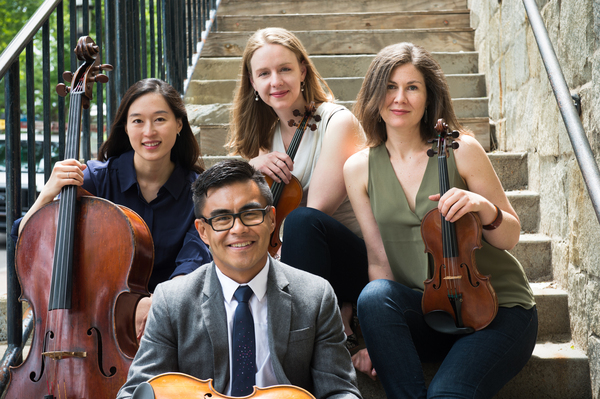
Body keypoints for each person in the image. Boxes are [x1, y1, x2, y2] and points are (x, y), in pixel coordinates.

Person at [344, 42, 538, 398]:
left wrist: (483, 207)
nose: (399, 98)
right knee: (373, 295)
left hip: (497, 308)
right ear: (374, 93)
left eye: (412, 87)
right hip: (431, 312)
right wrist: (377, 338)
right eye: (390, 86)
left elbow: (510, 237)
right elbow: (378, 260)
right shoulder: (358, 169)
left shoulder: (461, 149)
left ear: (427, 96)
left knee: (448, 394)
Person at [116, 159, 361, 399]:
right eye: (222, 219)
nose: (238, 229)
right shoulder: (171, 300)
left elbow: (339, 389)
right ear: (202, 231)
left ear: (272, 218)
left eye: (251, 213)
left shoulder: (316, 295)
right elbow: (134, 391)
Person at [14, 78, 211, 338]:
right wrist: (48, 193)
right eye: (138, 121)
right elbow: (29, 239)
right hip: (95, 323)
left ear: (178, 125)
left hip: (169, 317)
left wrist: (159, 303)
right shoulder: (95, 180)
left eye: (160, 119)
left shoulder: (198, 192)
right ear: (126, 128)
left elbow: (194, 258)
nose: (149, 131)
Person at [226, 27, 367, 348]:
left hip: (351, 262)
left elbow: (316, 211)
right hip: (298, 261)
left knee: (303, 222)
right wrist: (249, 168)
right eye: (264, 73)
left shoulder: (336, 121)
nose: (275, 81)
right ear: (253, 83)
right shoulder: (263, 138)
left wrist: (268, 254)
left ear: (303, 70)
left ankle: (302, 336)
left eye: (285, 69)